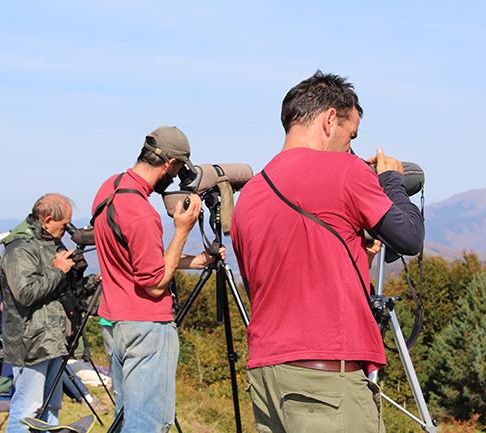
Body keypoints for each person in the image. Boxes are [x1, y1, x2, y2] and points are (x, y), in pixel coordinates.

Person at [231, 71, 424, 433]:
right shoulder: (345, 171)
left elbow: (278, 281)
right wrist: (392, 181)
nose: (349, 148)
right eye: (350, 136)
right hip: (325, 385)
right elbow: (410, 237)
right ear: (330, 119)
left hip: (268, 376)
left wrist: (357, 253)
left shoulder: (251, 194)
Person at [92, 126, 224, 433]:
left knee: (126, 417)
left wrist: (197, 260)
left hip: (114, 322)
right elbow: (153, 284)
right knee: (147, 424)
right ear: (172, 164)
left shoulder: (110, 188)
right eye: (178, 171)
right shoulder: (141, 213)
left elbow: (137, 261)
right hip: (145, 328)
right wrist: (182, 230)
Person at [1, 193, 75, 433]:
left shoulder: (49, 242)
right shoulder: (20, 248)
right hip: (30, 342)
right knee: (27, 409)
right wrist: (59, 271)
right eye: (64, 225)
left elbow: (57, 290)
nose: (66, 230)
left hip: (53, 338)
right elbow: (25, 293)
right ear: (47, 219)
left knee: (51, 407)